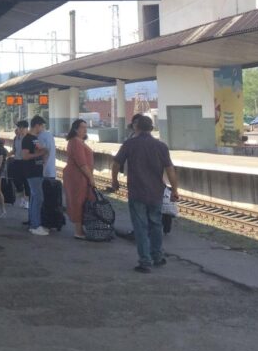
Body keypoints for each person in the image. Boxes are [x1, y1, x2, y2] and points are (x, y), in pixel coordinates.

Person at [111, 115, 180, 272]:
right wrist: (175, 189)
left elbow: (116, 163)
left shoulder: (130, 144)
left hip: (137, 192)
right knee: (156, 224)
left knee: (141, 227)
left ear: (136, 127)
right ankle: (157, 256)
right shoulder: (161, 146)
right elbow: (170, 169)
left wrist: (114, 181)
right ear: (151, 128)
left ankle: (145, 261)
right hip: (156, 192)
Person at [62, 119, 96, 240]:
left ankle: (81, 229)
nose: (85, 129)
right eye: (82, 127)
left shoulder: (78, 141)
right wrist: (91, 178)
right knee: (78, 201)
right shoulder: (75, 142)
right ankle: (78, 231)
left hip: (80, 176)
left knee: (82, 201)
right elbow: (82, 163)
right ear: (76, 128)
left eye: (86, 127)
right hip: (77, 177)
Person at [19, 120, 48, 235]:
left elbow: (37, 150)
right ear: (37, 125)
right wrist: (40, 153)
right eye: (42, 126)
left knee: (35, 198)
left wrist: (42, 151)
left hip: (37, 171)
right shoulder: (27, 139)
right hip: (32, 172)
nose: (43, 129)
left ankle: (33, 223)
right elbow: (25, 156)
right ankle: (36, 225)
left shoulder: (34, 139)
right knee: (38, 198)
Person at [8, 119, 30, 210]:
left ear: (26, 128)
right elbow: (14, 150)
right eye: (19, 127)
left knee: (26, 182)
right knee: (17, 181)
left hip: (26, 162)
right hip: (17, 161)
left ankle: (27, 201)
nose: (20, 130)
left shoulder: (30, 138)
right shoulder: (16, 138)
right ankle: (22, 198)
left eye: (21, 128)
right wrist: (5, 155)